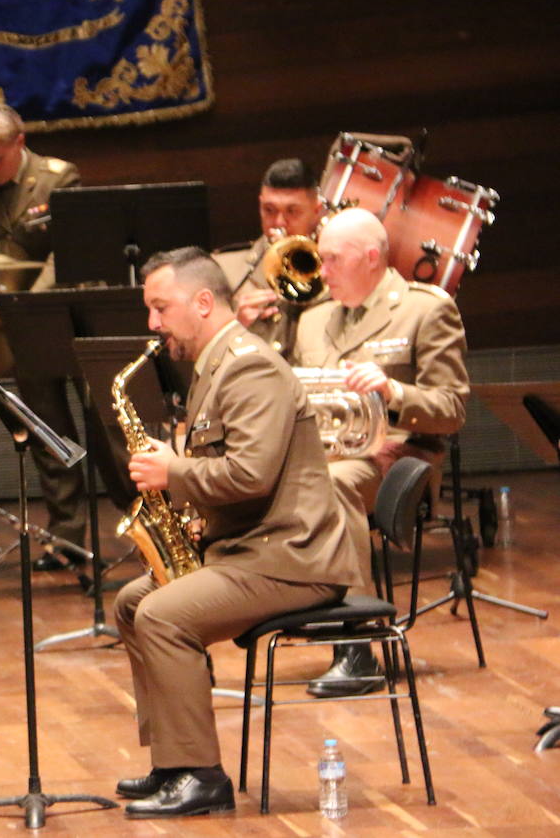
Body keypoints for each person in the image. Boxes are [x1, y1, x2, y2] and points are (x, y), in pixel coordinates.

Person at [114, 247, 362, 818]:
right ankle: (172, 762)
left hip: (292, 559)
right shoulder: (214, 365)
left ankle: (202, 777)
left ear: (203, 302)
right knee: (133, 602)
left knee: (163, 614)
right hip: (249, 550)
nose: (153, 324)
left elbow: (251, 474)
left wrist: (171, 470)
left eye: (160, 307)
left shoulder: (247, 365)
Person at [291, 207, 469, 697]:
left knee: (330, 486)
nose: (320, 272)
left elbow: (452, 410)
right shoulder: (312, 321)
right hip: (326, 453)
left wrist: (394, 392)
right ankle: (290, 610)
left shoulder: (425, 309)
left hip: (402, 457)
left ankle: (357, 646)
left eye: (331, 260)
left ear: (371, 258)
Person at [0, 103, 86, 570]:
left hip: (68, 313)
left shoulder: (58, 178)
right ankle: (67, 538)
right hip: (20, 327)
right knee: (47, 431)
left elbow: (72, 248)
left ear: (19, 142)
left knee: (108, 425)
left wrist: (29, 300)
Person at [212, 158, 327, 354]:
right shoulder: (224, 268)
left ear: (317, 210)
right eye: (269, 210)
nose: (279, 222)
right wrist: (235, 327)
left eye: (292, 211)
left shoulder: (336, 268)